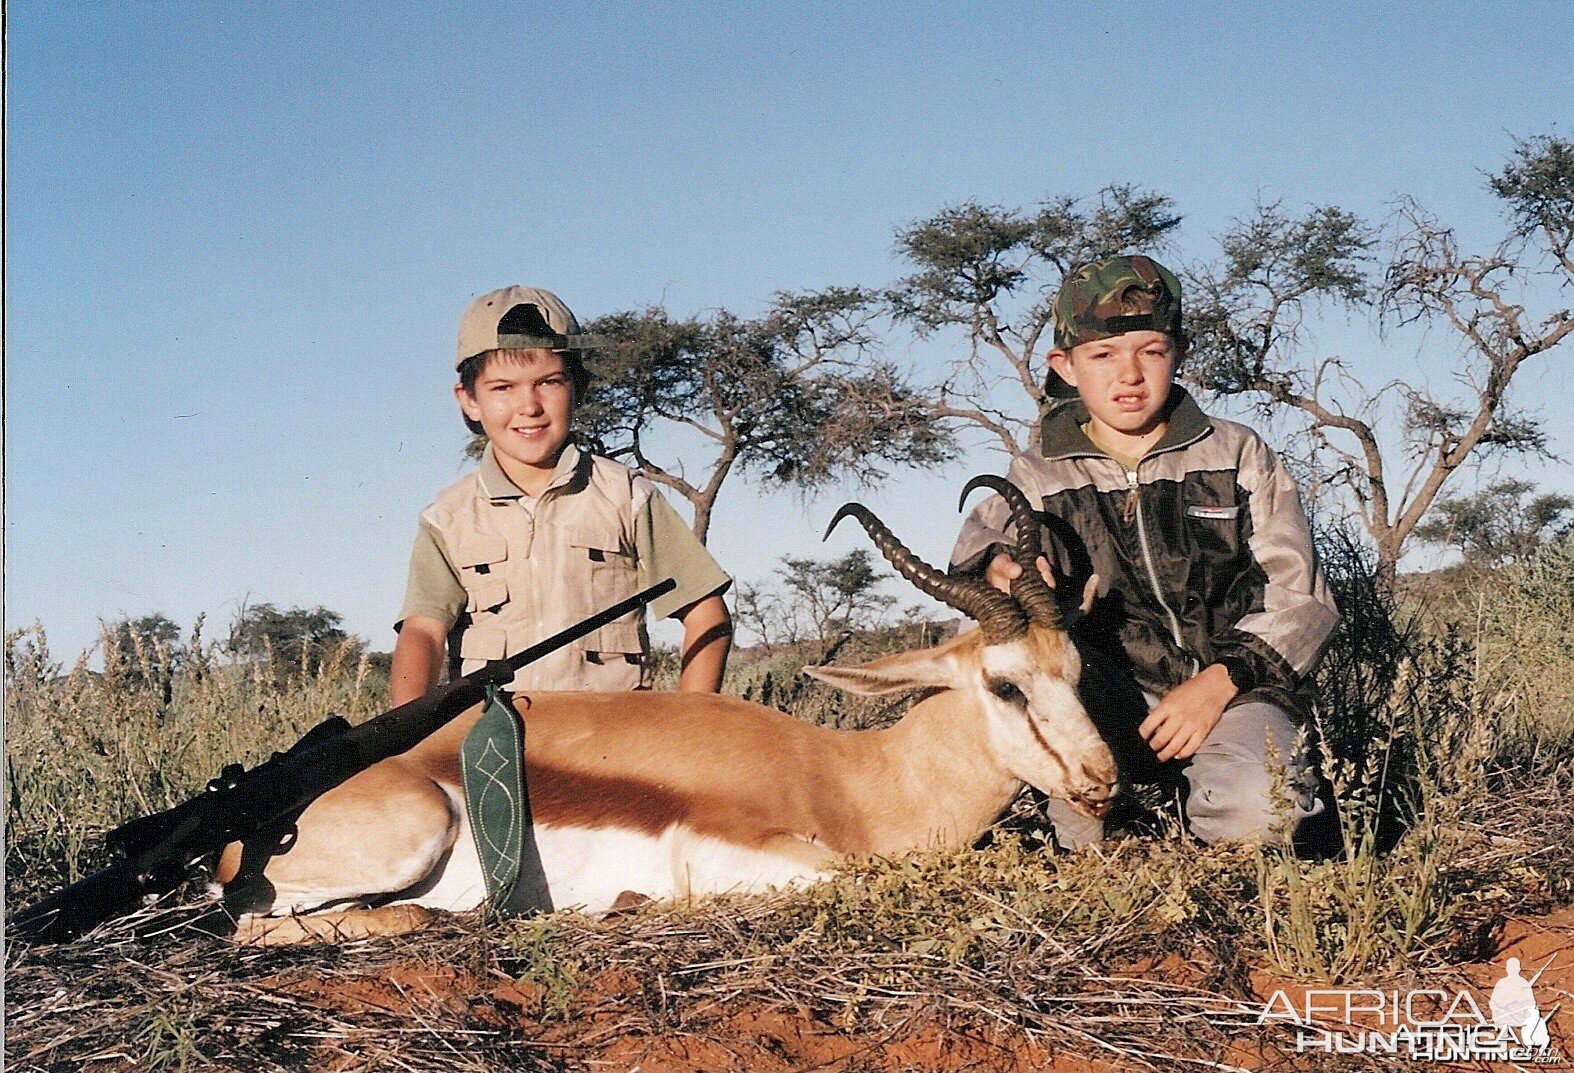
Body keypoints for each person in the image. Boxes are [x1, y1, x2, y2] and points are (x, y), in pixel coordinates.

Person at [951, 255, 1338, 848]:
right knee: (1086, 842)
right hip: (1103, 699)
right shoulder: (1035, 474)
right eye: (1103, 356)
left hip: (1235, 688)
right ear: (1066, 366)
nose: (1128, 375)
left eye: (1150, 351)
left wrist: (1221, 680)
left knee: (1261, 815)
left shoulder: (1236, 453)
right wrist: (996, 568)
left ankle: (1225, 799)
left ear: (1177, 353)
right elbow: (977, 548)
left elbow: (1301, 599)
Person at [390, 285, 733, 705]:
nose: (529, 405)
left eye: (549, 382)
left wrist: (688, 726)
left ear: (579, 388)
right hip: (494, 743)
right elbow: (423, 632)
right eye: (503, 387)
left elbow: (706, 613)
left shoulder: (627, 495)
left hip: (614, 738)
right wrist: (404, 739)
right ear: (469, 400)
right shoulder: (447, 515)